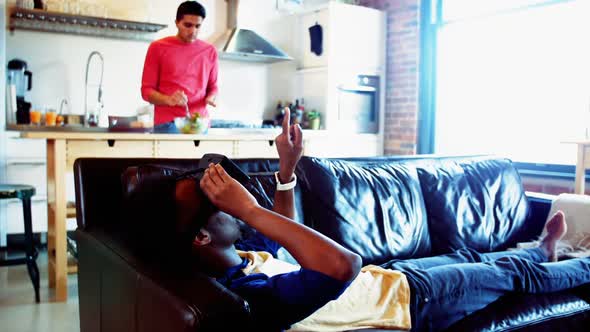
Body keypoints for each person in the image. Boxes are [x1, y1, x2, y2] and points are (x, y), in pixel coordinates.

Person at [124, 110, 590, 332]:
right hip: (413, 303)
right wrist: (250, 210)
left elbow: (285, 244)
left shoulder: (245, 259)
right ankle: (577, 263)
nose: (236, 199)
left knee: (471, 255)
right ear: (203, 236)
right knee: (506, 274)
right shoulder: (252, 294)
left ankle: (540, 249)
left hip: (393, 279)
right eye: (218, 203)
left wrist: (286, 170)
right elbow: (345, 264)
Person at [141, 1, 218, 133]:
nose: (193, 31)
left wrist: (211, 97)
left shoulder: (209, 51)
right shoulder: (158, 48)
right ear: (177, 22)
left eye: (198, 26)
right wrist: (168, 99)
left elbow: (213, 87)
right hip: (168, 124)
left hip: (200, 123)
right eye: (187, 25)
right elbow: (146, 91)